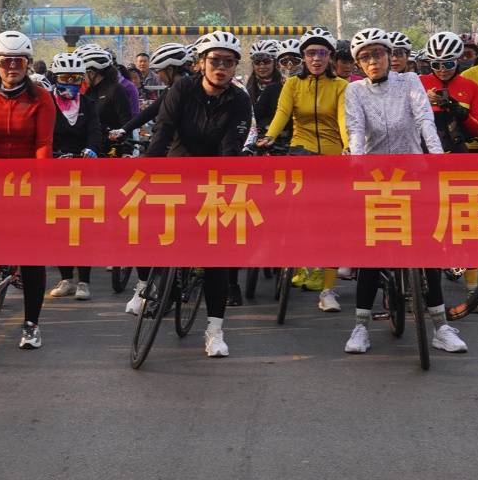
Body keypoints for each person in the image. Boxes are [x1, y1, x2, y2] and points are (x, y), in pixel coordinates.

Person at [341, 29, 466, 356]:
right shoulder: (353, 91)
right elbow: (355, 130)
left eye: (378, 54)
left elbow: (425, 120)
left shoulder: (410, 81)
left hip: (414, 173)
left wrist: (437, 158)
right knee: (372, 253)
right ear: (358, 62)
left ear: (389, 55)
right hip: (375, 178)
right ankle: (361, 327)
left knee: (427, 251)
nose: (373, 62)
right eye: (365, 57)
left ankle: (441, 327)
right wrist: (355, 164)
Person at [140, 30, 252, 358]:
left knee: (215, 255)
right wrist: (146, 171)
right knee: (155, 232)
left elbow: (232, 147)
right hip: (177, 169)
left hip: (215, 175)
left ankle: (215, 329)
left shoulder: (240, 100)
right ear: (201, 63)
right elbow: (162, 132)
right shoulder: (182, 88)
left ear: (234, 68)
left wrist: (224, 181)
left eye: (228, 62)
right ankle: (152, 284)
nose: (221, 67)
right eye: (215, 61)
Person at [0, 31, 57, 349]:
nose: (12, 67)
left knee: (30, 256)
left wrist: (41, 183)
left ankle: (31, 324)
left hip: (27, 181)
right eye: (6, 61)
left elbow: (44, 143)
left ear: (28, 64)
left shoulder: (41, 98)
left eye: (19, 61)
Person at [253, 28, 348, 313]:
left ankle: (326, 281)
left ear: (330, 57)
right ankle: (295, 258)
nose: (316, 59)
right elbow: (283, 112)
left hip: (333, 154)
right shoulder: (292, 84)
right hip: (301, 148)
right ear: (303, 57)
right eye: (310, 54)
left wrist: (348, 145)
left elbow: (344, 118)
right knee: (296, 211)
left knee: (331, 221)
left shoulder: (342, 85)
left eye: (321, 53)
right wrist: (269, 136)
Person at [46, 51, 106, 305]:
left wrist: (92, 148)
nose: (69, 83)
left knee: (82, 227)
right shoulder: (47, 103)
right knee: (59, 227)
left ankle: (84, 281)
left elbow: (96, 131)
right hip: (55, 172)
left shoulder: (89, 104)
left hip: (84, 173)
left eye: (75, 78)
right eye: (64, 77)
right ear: (56, 78)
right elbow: (42, 133)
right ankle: (66, 278)